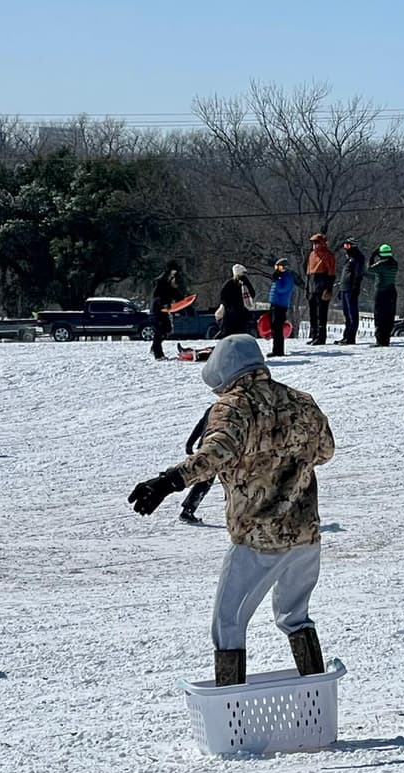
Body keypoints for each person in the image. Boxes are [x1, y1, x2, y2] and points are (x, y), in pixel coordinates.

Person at [127, 335, 335, 686]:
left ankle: (231, 707)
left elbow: (214, 455)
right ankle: (316, 694)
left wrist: (166, 482)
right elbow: (326, 450)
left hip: (256, 536)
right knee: (295, 617)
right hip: (304, 534)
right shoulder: (302, 401)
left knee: (228, 622)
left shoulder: (233, 407)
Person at [179, 406, 213, 524]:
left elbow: (200, 425)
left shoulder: (213, 408)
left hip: (205, 448)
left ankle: (188, 510)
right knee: (205, 481)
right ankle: (187, 510)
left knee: (204, 480)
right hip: (217, 450)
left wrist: (190, 443)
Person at [149, 261, 184, 360]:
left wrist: (184, 302)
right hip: (158, 309)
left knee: (167, 329)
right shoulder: (161, 281)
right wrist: (163, 303)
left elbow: (175, 294)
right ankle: (158, 353)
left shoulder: (170, 281)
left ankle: (154, 347)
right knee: (160, 331)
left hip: (165, 309)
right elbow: (156, 296)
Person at [305, 233, 336, 345]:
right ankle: (314, 335)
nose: (314, 245)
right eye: (313, 242)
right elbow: (308, 273)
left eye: (317, 242)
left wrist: (328, 289)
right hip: (312, 286)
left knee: (321, 313)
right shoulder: (311, 255)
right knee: (313, 313)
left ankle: (321, 337)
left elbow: (331, 273)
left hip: (322, 286)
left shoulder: (328, 255)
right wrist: (307, 289)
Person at [369, 243, 399, 346]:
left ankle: (380, 340)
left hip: (381, 292)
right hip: (392, 291)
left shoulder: (381, 264)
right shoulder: (395, 263)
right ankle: (386, 339)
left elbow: (369, 269)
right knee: (389, 316)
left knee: (379, 316)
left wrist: (373, 256)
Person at [336, 238, 365, 344]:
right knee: (346, 314)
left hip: (351, 289)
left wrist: (355, 287)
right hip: (344, 288)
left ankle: (351, 337)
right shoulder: (348, 258)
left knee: (352, 313)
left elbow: (358, 274)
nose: (345, 248)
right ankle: (346, 335)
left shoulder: (358, 258)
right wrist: (340, 289)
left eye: (347, 246)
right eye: (344, 246)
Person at [217, 264, 257, 339]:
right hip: (231, 314)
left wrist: (247, 283)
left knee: (240, 333)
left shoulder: (244, 284)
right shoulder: (229, 284)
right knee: (230, 333)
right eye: (242, 274)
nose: (244, 276)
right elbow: (223, 298)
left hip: (241, 312)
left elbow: (252, 294)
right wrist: (228, 307)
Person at [267, 257, 295, 357]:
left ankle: (278, 351)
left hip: (281, 305)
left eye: (279, 267)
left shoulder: (288, 277)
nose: (277, 269)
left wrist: (277, 280)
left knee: (278, 328)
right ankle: (276, 349)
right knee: (274, 327)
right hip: (275, 303)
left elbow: (282, 290)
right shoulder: (280, 277)